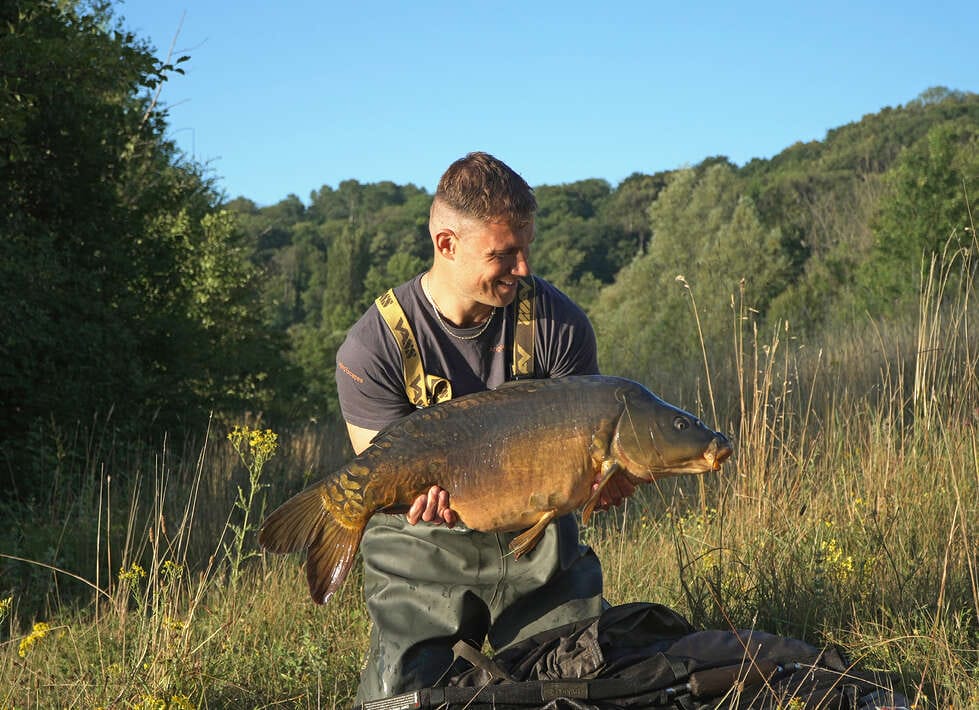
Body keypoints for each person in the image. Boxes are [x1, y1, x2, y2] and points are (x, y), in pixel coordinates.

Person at [335, 151, 635, 704]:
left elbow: (584, 460)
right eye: (504, 254)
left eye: (527, 248)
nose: (523, 269)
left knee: (578, 683)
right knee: (399, 699)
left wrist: (601, 483)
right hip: (422, 549)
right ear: (446, 244)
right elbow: (376, 472)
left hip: (538, 545)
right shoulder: (373, 344)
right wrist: (413, 501)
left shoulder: (558, 324)